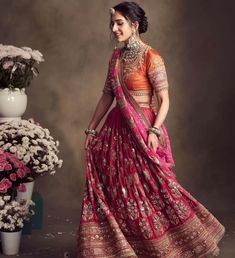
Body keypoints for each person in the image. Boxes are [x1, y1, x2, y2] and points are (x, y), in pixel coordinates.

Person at [77, 2, 225, 257]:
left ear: (134, 25)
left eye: (119, 23)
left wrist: (154, 131)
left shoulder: (151, 57)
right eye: (112, 23)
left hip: (143, 130)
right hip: (116, 132)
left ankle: (174, 242)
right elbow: (107, 95)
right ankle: (127, 244)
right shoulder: (115, 57)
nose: (113, 28)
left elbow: (164, 99)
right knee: (121, 190)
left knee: (154, 189)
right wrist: (91, 130)